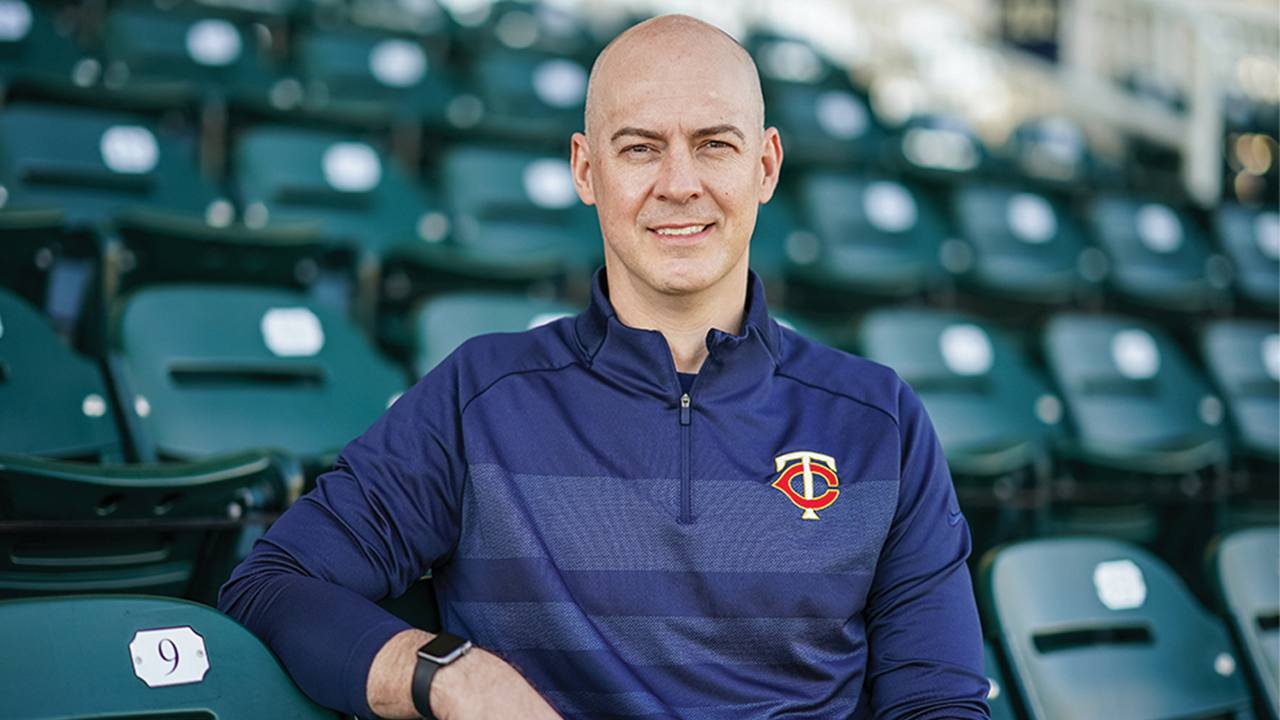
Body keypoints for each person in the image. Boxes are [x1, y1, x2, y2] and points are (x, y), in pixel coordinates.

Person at [219, 13, 991, 720]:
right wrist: (454, 676)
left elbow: (939, 702)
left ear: (766, 166)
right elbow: (273, 584)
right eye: (640, 147)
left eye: (715, 144)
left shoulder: (877, 419)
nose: (679, 183)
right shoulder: (480, 396)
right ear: (587, 171)